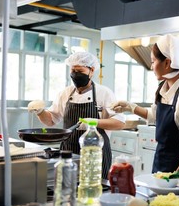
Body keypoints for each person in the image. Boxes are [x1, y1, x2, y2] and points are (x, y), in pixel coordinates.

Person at [111, 34, 179, 175]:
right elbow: (154, 116)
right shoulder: (164, 88)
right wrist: (130, 107)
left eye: (153, 61)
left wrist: (175, 177)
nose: (151, 66)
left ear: (167, 63)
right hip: (161, 166)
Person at [28, 51, 125, 179]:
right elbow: (50, 121)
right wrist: (40, 112)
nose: (75, 74)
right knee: (67, 187)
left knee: (94, 188)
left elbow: (120, 123)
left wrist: (94, 123)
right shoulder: (65, 93)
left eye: (79, 70)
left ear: (92, 70)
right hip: (69, 152)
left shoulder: (104, 93)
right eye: (73, 70)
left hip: (95, 152)